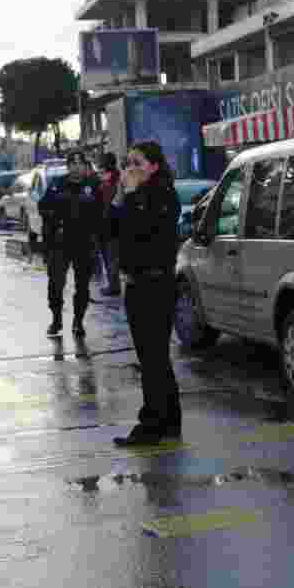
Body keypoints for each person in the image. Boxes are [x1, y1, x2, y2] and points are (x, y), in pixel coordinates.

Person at [110, 141, 183, 447]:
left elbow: (142, 229)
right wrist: (118, 199)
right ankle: (167, 420)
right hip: (137, 283)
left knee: (153, 358)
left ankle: (152, 423)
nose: (131, 169)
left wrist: (130, 197)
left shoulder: (161, 195)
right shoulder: (133, 196)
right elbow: (111, 229)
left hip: (155, 284)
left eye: (138, 163)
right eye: (128, 163)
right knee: (153, 357)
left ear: (154, 166)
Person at [38, 150, 103, 338]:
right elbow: (43, 206)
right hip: (60, 243)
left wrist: (94, 233)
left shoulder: (92, 185)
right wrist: (54, 219)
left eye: (79, 163)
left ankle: (78, 321)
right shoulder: (57, 184)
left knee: (82, 286)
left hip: (83, 243)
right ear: (68, 166)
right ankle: (56, 319)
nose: (76, 166)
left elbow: (100, 212)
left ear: (85, 166)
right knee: (56, 284)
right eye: (72, 163)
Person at [97, 152, 123, 296]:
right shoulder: (109, 178)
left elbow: (113, 202)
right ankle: (113, 284)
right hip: (107, 222)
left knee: (111, 256)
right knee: (109, 255)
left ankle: (114, 286)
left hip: (111, 222)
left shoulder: (114, 179)